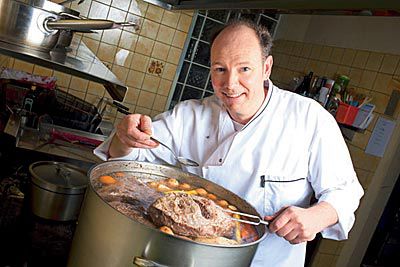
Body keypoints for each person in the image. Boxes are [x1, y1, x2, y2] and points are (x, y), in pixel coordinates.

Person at [94, 19, 364, 267]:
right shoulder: (189, 116)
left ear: (266, 67)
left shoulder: (308, 118)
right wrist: (126, 136)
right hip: (186, 259)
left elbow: (345, 192)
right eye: (220, 69)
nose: (230, 84)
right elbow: (126, 163)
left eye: (244, 69)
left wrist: (316, 216)